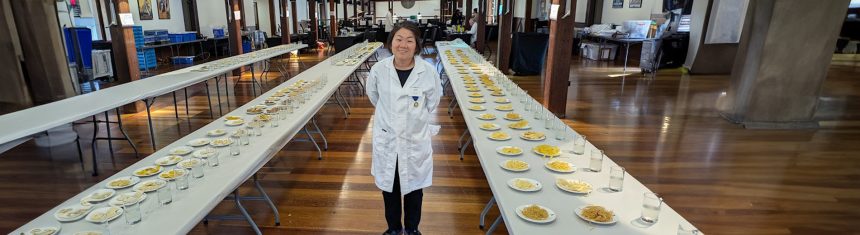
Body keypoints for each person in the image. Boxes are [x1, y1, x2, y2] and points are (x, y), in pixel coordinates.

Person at [366, 21, 442, 235]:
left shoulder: (427, 72)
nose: (403, 45)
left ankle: (412, 229)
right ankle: (393, 229)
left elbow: (433, 101)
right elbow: (374, 96)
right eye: (398, 39)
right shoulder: (379, 70)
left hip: (415, 140)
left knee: (414, 189)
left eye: (410, 40)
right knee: (390, 188)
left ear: (416, 45)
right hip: (387, 138)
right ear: (391, 43)